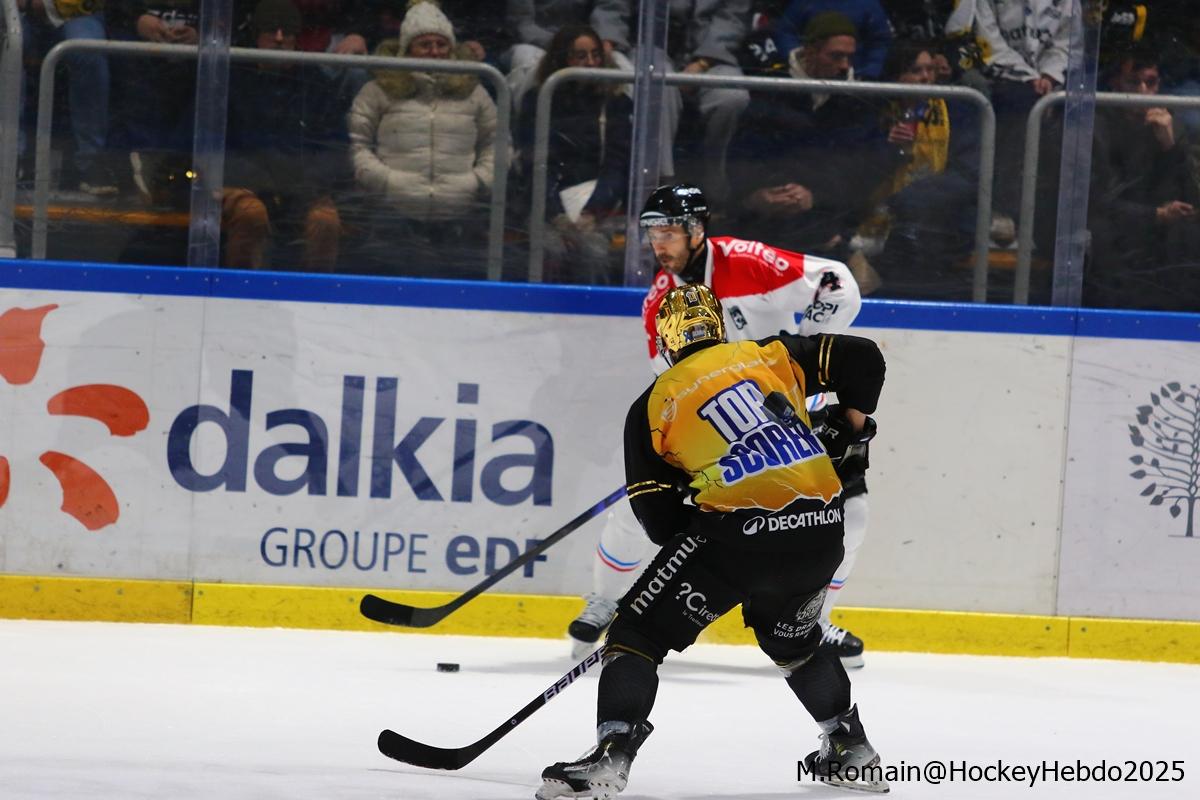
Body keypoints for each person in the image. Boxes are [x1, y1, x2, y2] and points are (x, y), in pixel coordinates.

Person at [537, 282, 888, 799]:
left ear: (666, 340)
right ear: (718, 326)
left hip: (737, 537)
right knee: (794, 642)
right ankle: (851, 749)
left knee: (636, 633)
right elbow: (863, 356)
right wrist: (851, 424)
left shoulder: (653, 402)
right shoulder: (769, 354)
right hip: (820, 529)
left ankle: (612, 755)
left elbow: (659, 522)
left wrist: (695, 502)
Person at [567, 184, 874, 670]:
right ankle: (604, 601)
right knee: (635, 509)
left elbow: (837, 282)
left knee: (849, 513)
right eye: (652, 234)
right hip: (716, 424)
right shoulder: (661, 301)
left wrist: (802, 352)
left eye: (668, 232)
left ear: (696, 229)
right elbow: (669, 379)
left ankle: (812, 620)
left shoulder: (745, 261)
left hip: (788, 422)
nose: (659, 244)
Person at [346, 0, 498, 279]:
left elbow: (496, 143)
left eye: (441, 44)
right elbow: (357, 143)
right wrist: (386, 180)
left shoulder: (475, 92)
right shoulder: (377, 90)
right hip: (393, 216)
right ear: (407, 49)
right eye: (425, 44)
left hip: (460, 216)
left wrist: (478, 181)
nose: (435, 52)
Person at [727, 12, 895, 259]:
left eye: (849, 57)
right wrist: (756, 193)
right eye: (835, 56)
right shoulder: (774, 89)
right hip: (767, 213)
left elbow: (860, 168)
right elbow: (742, 153)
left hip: (829, 215)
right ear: (810, 52)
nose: (845, 65)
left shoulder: (857, 102)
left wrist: (815, 194)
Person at [221, 0, 351, 271]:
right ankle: (242, 287)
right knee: (251, 214)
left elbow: (335, 147)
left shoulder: (315, 83)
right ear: (256, 35)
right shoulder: (231, 80)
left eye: (288, 31)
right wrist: (258, 180)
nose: (280, 38)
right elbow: (212, 145)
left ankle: (314, 291)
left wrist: (305, 183)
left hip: (303, 188)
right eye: (271, 30)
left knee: (325, 220)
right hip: (243, 185)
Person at [514, 24, 633, 284]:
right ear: (561, 59)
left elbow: (617, 166)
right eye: (580, 56)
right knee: (550, 247)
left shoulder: (616, 102)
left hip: (598, 206)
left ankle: (592, 306)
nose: (590, 63)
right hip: (548, 205)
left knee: (594, 250)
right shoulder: (539, 100)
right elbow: (536, 164)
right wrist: (556, 213)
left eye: (596, 55)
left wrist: (592, 211)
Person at [1085, 48, 1200, 312]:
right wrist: (1155, 214)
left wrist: (1170, 147)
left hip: (1161, 229)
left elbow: (1191, 196)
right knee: (1104, 235)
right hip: (1119, 227)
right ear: (1115, 84)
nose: (1143, 91)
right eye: (1133, 82)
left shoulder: (1172, 125)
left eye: (1151, 82)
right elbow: (1098, 200)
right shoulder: (1097, 126)